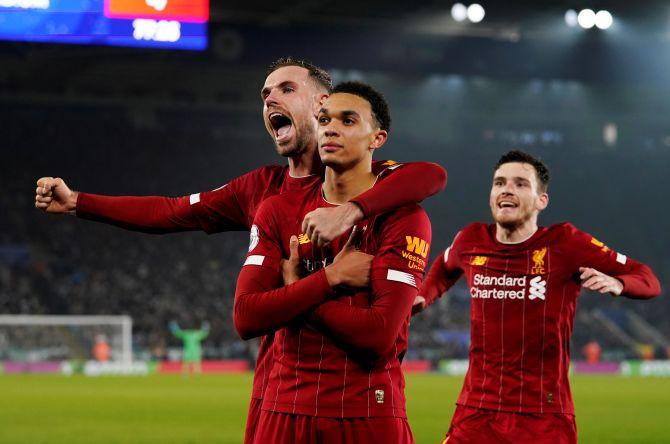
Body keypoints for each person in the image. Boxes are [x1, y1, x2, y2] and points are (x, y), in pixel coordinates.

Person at [34, 58, 447, 443]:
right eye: (265, 94)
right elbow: (172, 211)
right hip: (281, 389)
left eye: (285, 89)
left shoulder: (374, 179)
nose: (270, 99)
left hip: (363, 401)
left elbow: (429, 175)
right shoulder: (264, 192)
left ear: (323, 103)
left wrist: (351, 211)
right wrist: (78, 202)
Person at [417, 150, 661, 444]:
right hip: (476, 412)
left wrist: (619, 283)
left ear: (541, 201)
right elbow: (444, 268)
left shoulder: (566, 243)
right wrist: (423, 296)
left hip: (543, 417)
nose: (507, 189)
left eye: (520, 183)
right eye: (500, 182)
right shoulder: (471, 239)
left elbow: (647, 278)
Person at [234, 81, 430, 443]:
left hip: (368, 411)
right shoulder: (278, 209)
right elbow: (247, 317)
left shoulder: (403, 218)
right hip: (284, 410)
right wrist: (330, 279)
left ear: (377, 139)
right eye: (324, 119)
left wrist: (295, 294)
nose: (331, 128)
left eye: (348, 120)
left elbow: (377, 336)